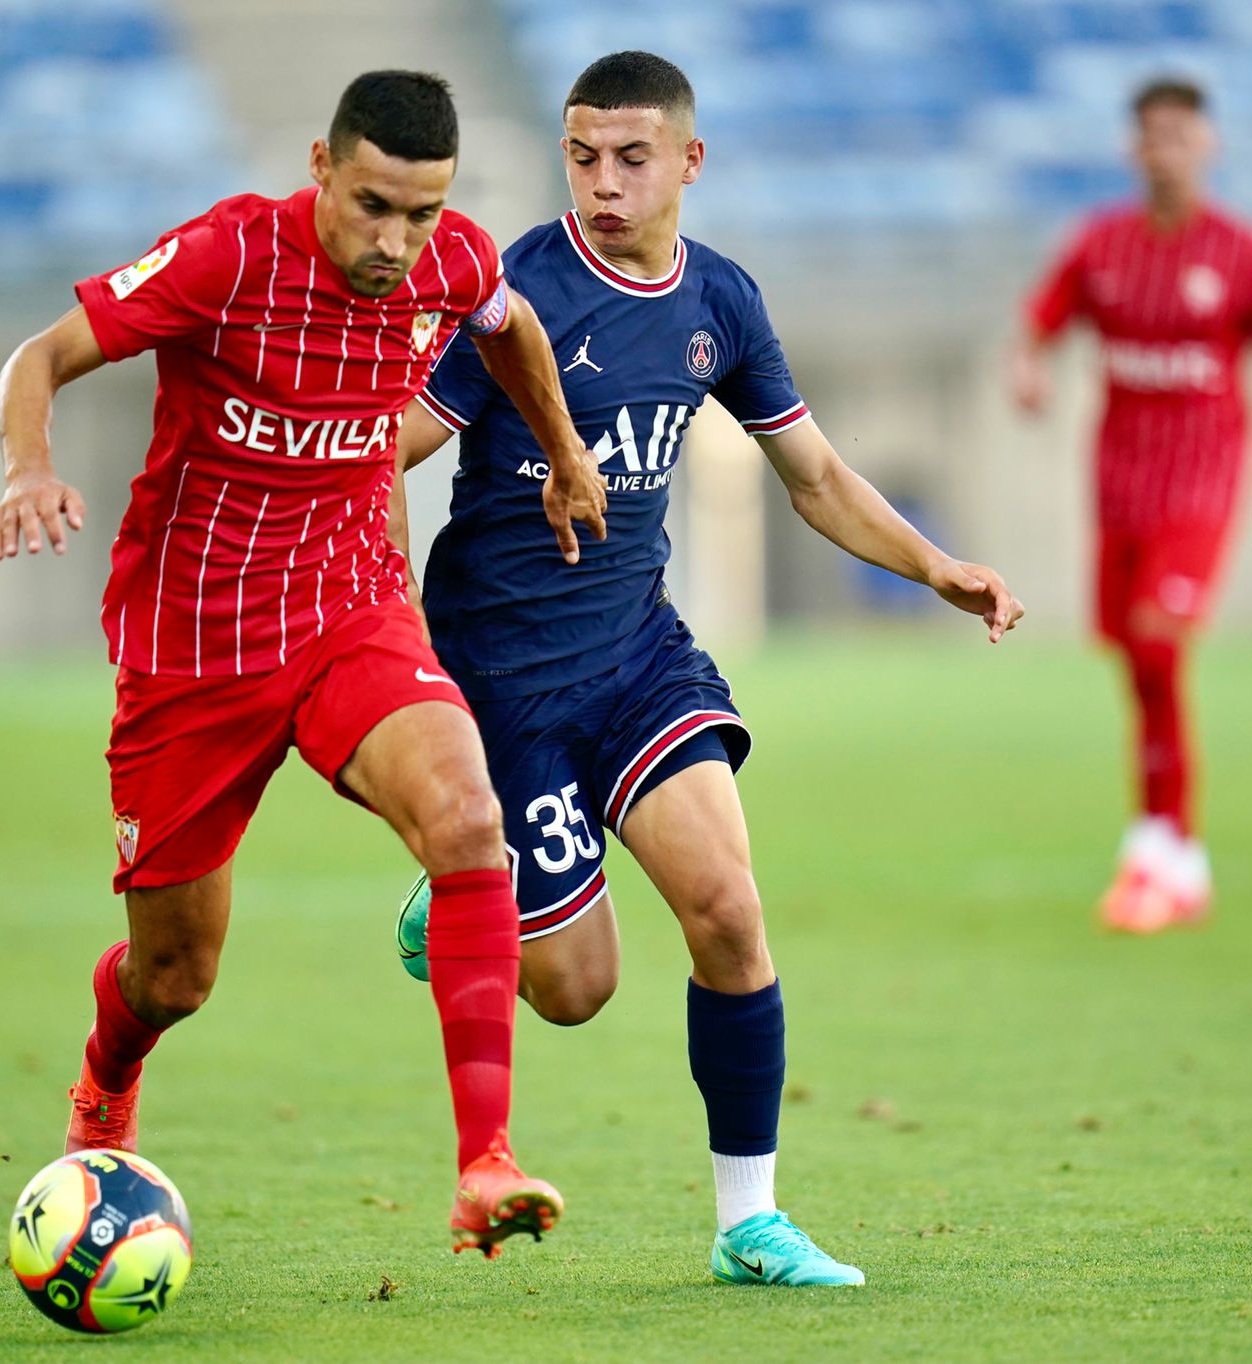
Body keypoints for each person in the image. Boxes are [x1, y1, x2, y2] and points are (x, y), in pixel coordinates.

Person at [387, 51, 1024, 1287]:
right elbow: (392, 446)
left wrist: (935, 568)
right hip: (502, 680)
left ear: (688, 159)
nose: (603, 184)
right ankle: (464, 891)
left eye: (630, 158)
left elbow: (817, 478)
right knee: (575, 991)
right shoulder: (512, 291)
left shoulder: (718, 302)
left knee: (730, 910)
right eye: (581, 157)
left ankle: (748, 1222)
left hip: (633, 653)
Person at [0, 70, 609, 1258]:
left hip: (347, 606)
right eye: (374, 204)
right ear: (321, 167)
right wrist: (28, 465)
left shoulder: (452, 259)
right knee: (172, 976)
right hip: (195, 648)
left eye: (421, 213)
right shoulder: (224, 256)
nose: (396, 242)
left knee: (470, 819)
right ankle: (101, 1087)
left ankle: (486, 1160)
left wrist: (564, 452)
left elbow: (511, 324)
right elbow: (42, 353)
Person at [1010, 76, 1252, 934]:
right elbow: (1038, 319)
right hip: (1118, 486)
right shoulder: (1102, 247)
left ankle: (1167, 848)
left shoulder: (1247, 256)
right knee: (1136, 660)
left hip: (1202, 485)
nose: (1167, 150)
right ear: (1133, 148)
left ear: (1208, 144)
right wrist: (1028, 365)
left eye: (1181, 134)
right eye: (1152, 135)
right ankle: (1170, 853)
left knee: (1158, 640)